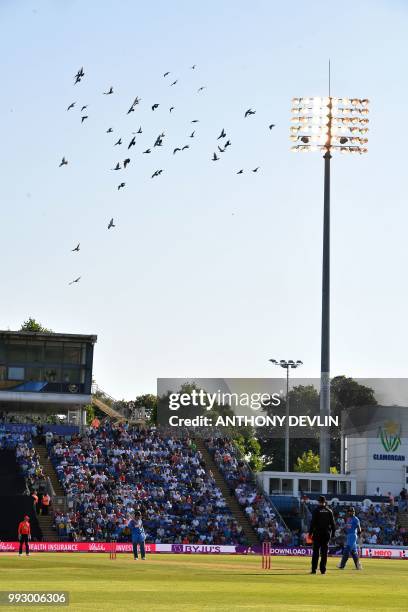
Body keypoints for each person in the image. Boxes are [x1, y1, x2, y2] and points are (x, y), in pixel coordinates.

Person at [308, 496, 335, 575]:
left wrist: (310, 534)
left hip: (317, 533)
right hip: (326, 534)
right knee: (324, 553)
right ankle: (323, 570)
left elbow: (312, 523)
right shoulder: (329, 511)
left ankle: (314, 570)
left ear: (319, 502)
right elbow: (333, 524)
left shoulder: (316, 510)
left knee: (316, 552)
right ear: (325, 502)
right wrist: (332, 534)